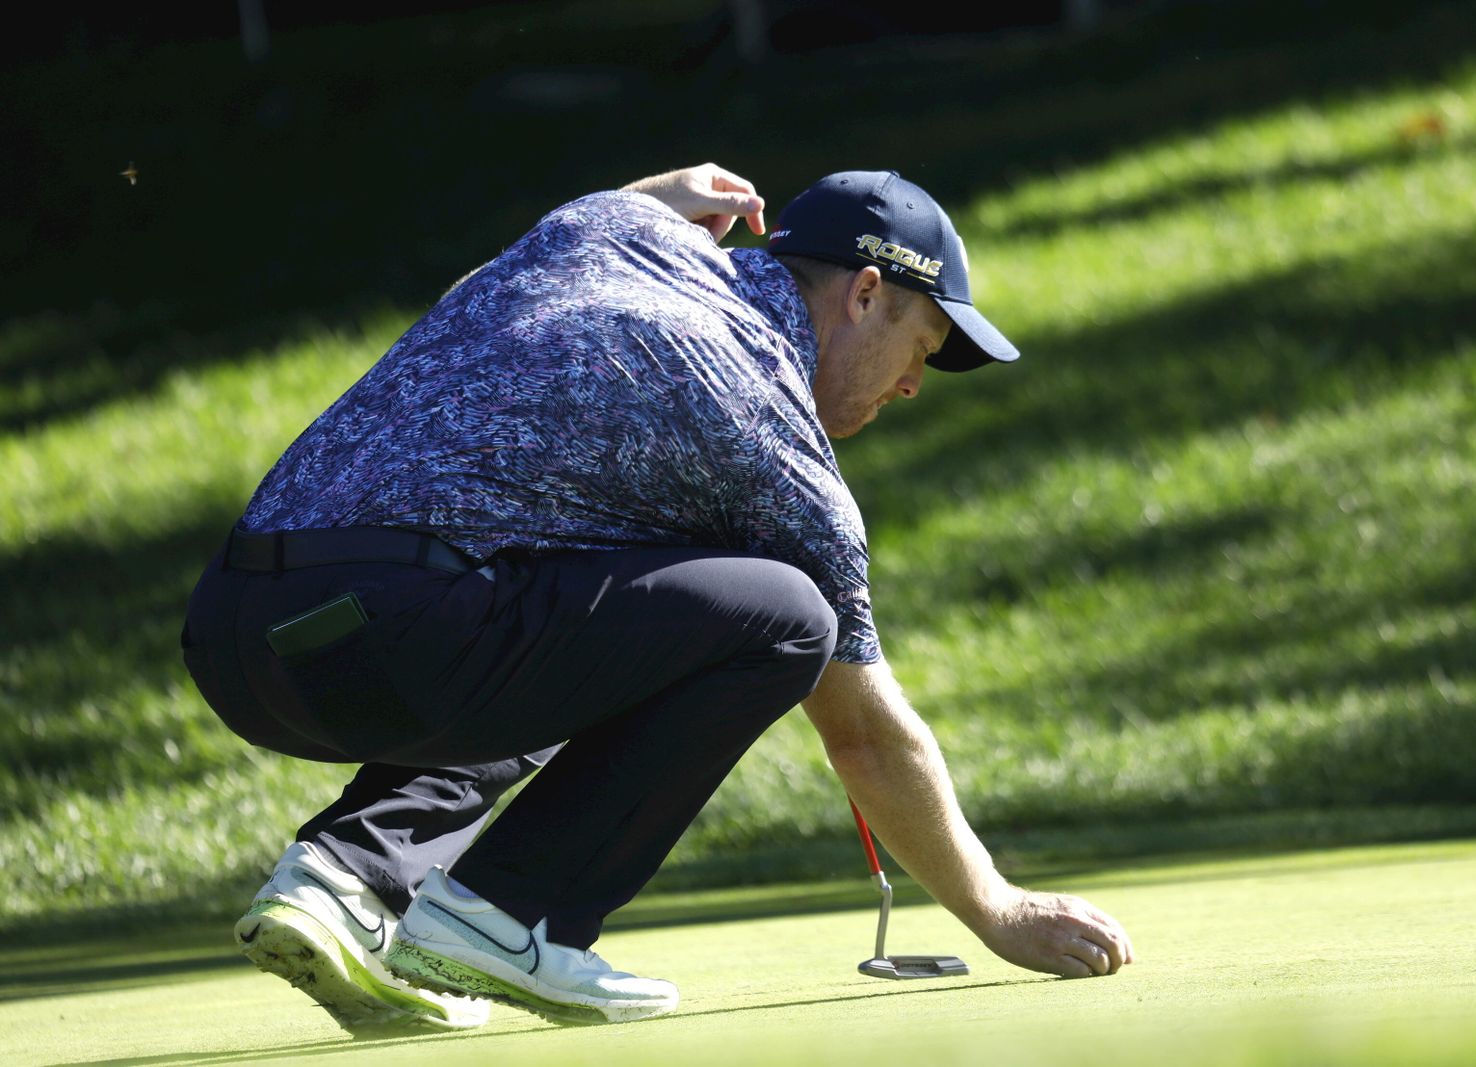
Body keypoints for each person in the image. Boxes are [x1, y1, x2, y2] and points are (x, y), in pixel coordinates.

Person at [180, 163, 1135, 1037]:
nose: (915, 384)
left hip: (234, 639)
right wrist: (999, 908)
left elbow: (617, 207)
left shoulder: (606, 228)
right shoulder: (767, 423)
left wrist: (661, 192)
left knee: (591, 594)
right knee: (788, 615)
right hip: (391, 642)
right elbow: (866, 736)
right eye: (920, 344)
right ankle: (513, 916)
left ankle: (345, 876)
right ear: (867, 292)